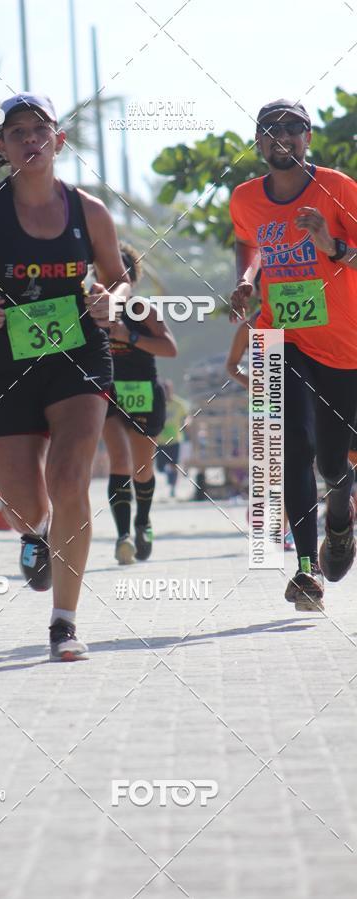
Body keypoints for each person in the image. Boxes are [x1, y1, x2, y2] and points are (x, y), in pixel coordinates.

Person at [0, 92, 131, 661]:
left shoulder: (90, 211)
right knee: (25, 501)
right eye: (16, 131)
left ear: (59, 139)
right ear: (1, 145)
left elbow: (120, 278)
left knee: (70, 480)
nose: (29, 139)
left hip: (79, 357)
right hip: (7, 365)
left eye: (39, 128)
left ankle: (64, 624)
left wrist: (111, 301)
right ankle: (35, 536)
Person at [229, 99, 357, 611]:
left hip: (340, 343)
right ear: (259, 143)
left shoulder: (339, 188)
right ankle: (306, 570)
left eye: (293, 128)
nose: (282, 136)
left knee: (331, 459)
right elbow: (248, 244)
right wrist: (244, 280)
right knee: (288, 449)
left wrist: (329, 243)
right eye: (270, 129)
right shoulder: (243, 198)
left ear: (308, 137)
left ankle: (341, 523)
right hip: (276, 337)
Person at [103, 242, 176, 564]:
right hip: (107, 393)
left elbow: (169, 348)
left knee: (142, 469)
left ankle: (143, 520)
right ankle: (123, 537)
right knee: (119, 462)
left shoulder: (141, 310)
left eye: (118, 275)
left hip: (143, 391)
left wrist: (128, 337)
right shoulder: (91, 310)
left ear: (131, 279)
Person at [226, 304, 295, 551]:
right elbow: (231, 365)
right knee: (270, 465)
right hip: (264, 403)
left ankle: (282, 530)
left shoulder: (295, 318)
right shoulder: (250, 326)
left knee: (295, 463)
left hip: (296, 397)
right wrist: (252, 384)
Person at [155, 380, 188, 498]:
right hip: (160, 440)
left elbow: (186, 417)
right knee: (159, 467)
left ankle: (173, 488)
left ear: (171, 390)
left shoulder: (179, 404)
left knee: (174, 464)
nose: (166, 392)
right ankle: (168, 474)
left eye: (167, 389)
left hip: (174, 439)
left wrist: (186, 424)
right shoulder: (157, 403)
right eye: (164, 389)